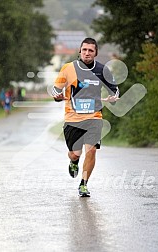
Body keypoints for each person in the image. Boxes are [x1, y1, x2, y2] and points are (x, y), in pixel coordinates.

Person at [51, 37, 119, 197]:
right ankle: (73, 162)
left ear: (95, 53)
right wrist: (58, 96)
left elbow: (114, 90)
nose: (87, 53)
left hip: (94, 117)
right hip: (72, 119)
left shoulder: (102, 70)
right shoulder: (68, 68)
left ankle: (84, 184)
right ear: (79, 51)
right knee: (75, 153)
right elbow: (55, 89)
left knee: (92, 151)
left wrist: (113, 98)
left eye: (90, 50)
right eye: (84, 50)